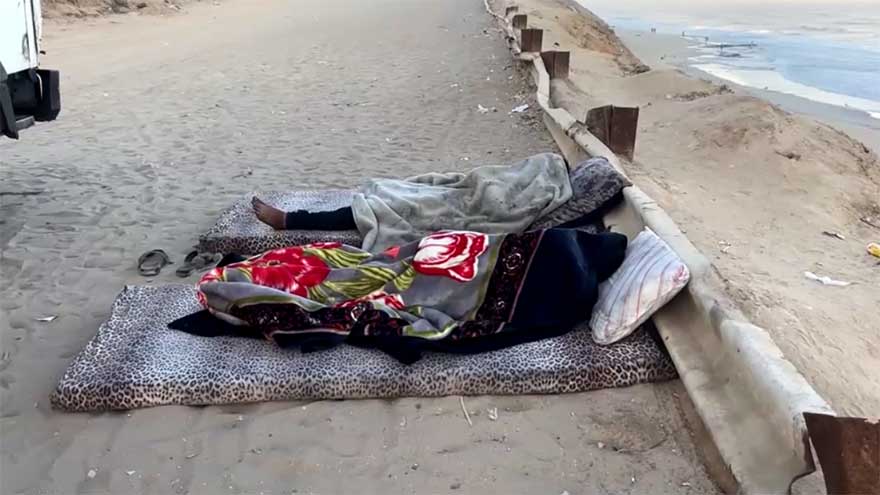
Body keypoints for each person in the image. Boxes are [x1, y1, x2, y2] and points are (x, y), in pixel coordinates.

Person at [170, 228, 627, 364]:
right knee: (372, 265)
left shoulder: (570, 280)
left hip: (524, 266)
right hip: (432, 259)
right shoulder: (572, 248)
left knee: (365, 278)